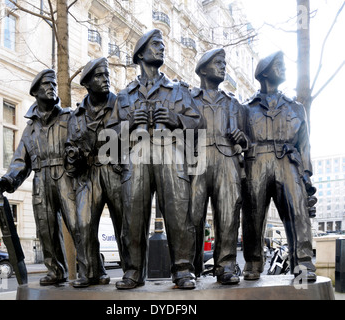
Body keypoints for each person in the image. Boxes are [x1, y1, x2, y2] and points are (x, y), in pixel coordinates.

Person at [111, 29, 203, 290]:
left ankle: (183, 269)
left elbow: (198, 123)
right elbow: (109, 134)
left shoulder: (177, 90)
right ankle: (132, 272)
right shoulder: (125, 95)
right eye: (155, 45)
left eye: (163, 45)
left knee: (178, 213)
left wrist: (176, 119)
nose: (161, 49)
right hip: (136, 157)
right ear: (140, 54)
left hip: (170, 155)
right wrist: (128, 124)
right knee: (133, 215)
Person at [0, 69, 88, 286]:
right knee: (46, 228)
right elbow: (20, 161)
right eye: (46, 84)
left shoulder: (69, 117)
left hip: (66, 177)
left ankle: (88, 270)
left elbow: (83, 145)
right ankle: (55, 270)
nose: (52, 87)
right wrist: (7, 181)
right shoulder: (29, 129)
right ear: (35, 91)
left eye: (54, 83)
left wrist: (78, 157)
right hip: (40, 179)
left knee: (77, 224)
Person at [241, 51, 316, 282]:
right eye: (278, 65)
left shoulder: (296, 108)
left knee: (297, 213)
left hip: (288, 161)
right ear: (264, 73)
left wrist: (307, 179)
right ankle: (253, 264)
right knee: (253, 215)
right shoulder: (245, 109)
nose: (283, 68)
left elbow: (305, 146)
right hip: (256, 161)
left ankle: (303, 264)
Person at [190, 48, 247, 284]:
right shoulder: (189, 99)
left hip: (227, 161)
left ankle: (225, 267)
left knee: (228, 215)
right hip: (198, 160)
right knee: (192, 215)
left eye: (224, 63)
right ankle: (190, 269)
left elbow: (246, 140)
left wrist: (241, 137)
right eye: (218, 63)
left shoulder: (233, 104)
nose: (223, 67)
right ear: (203, 70)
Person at [65, 57, 123, 287]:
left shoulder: (121, 106)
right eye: (99, 76)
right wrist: (73, 155)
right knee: (84, 223)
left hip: (115, 170)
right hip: (88, 174)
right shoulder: (76, 115)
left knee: (125, 224)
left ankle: (132, 272)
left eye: (106, 75)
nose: (105, 79)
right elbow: (70, 145)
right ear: (87, 83)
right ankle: (90, 272)